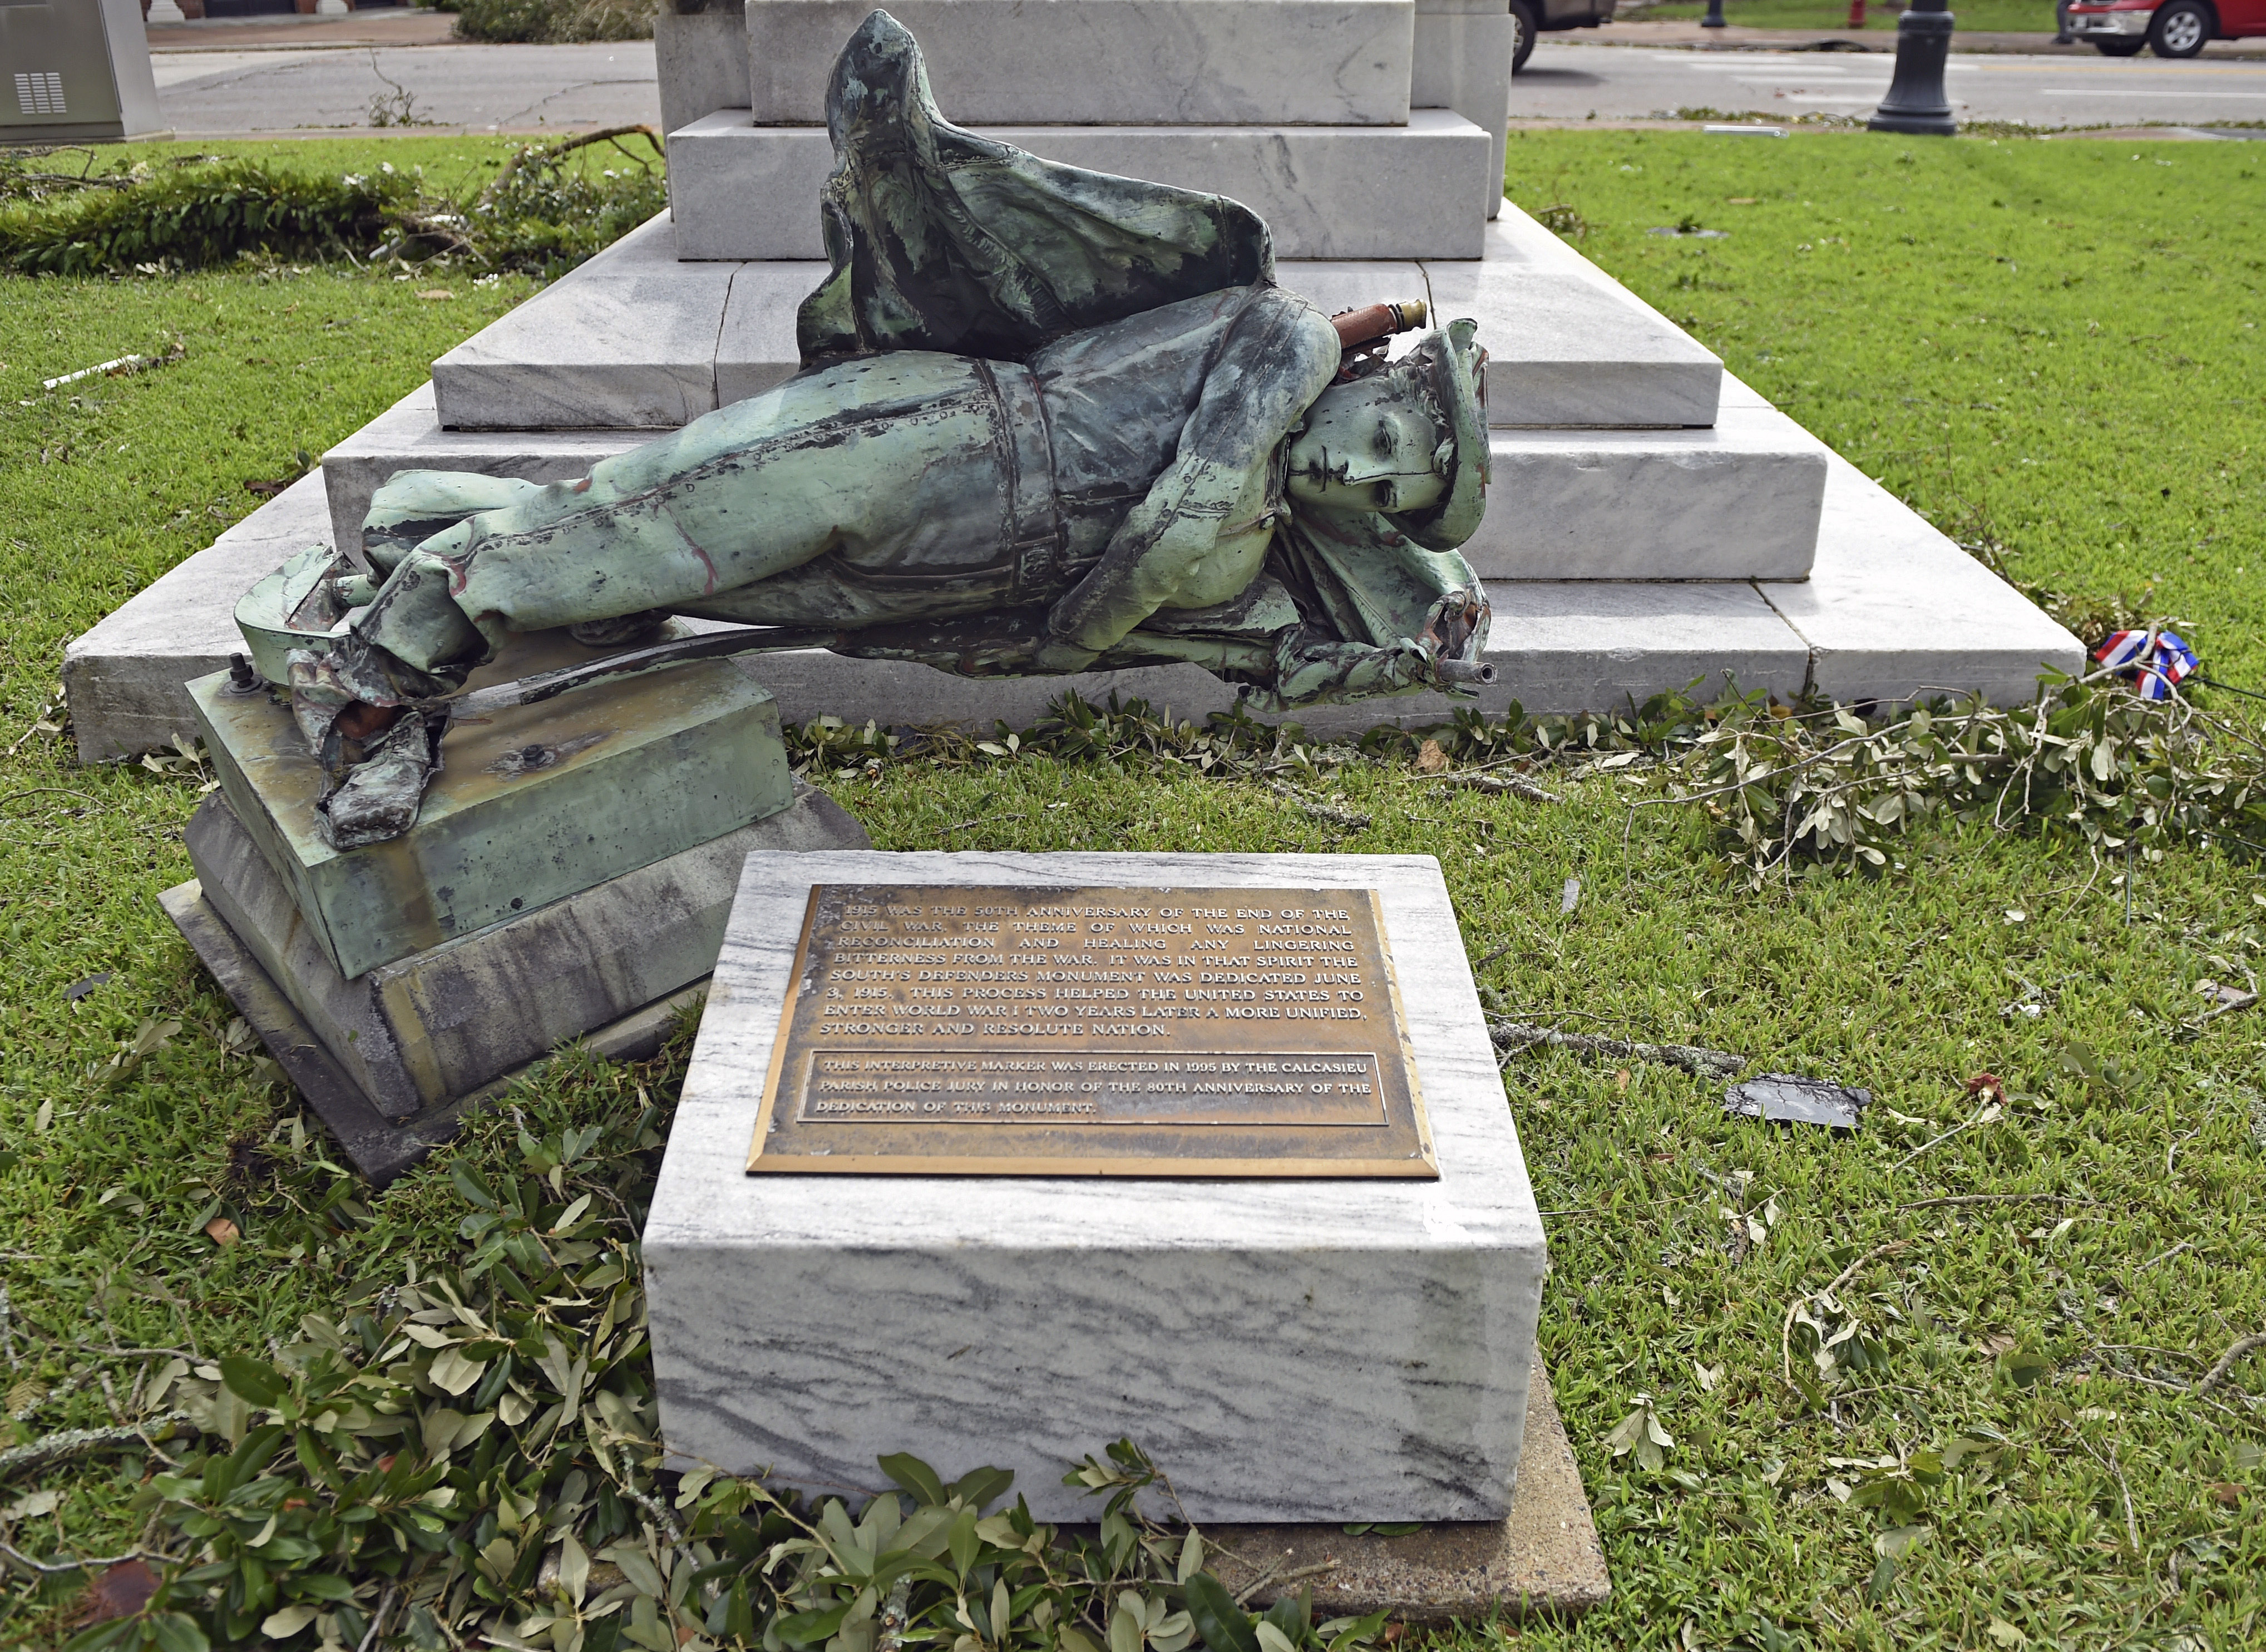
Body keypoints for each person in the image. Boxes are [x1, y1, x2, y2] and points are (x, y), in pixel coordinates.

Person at [284, 10, 1493, 846]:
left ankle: (418, 539)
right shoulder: (1283, 341)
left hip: (955, 578)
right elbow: (1171, 534)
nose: (1359, 468)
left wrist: (1416, 634)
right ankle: (377, 685)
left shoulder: (1278, 541)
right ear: (1376, 376)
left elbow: (1275, 658)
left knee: (660, 587)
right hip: (936, 445)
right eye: (1385, 434)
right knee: (657, 524)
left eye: (1387, 493)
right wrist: (1083, 633)